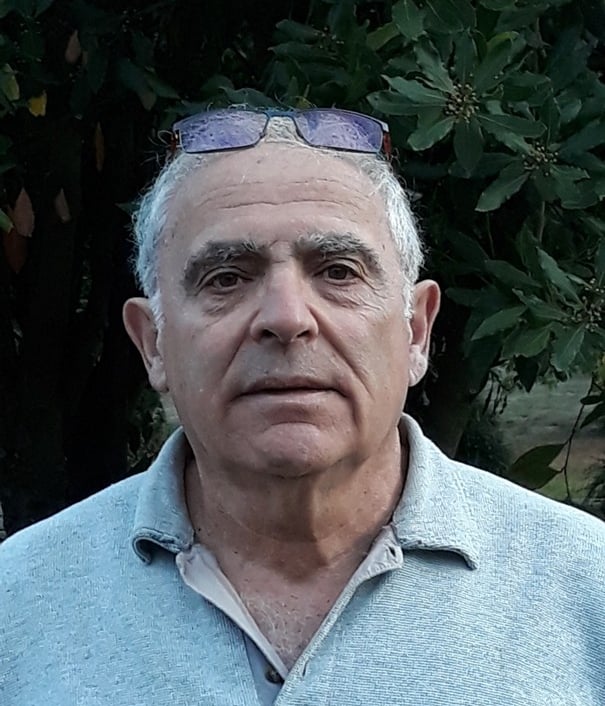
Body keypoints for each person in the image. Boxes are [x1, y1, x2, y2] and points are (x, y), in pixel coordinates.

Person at [0, 108, 603, 706]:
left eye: (338, 272)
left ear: (416, 332)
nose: (287, 319)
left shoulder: (586, 587)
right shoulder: (18, 603)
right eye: (227, 278)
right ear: (153, 344)